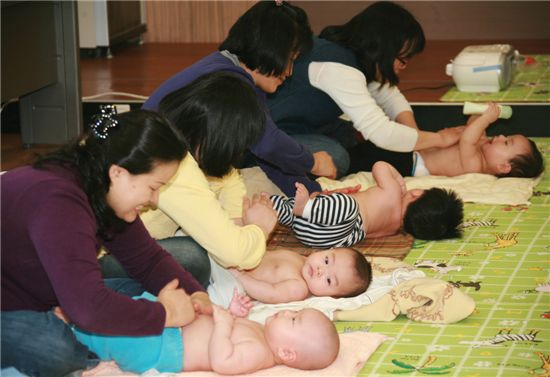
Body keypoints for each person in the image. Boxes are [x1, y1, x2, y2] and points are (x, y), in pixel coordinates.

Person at [1, 110, 213, 377]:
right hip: (9, 304)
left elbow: (147, 260)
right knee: (57, 350)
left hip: (45, 288)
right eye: (153, 186)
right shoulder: (60, 203)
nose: (155, 199)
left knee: (189, 264)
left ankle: (73, 320)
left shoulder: (100, 187)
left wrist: (195, 295)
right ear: (118, 173)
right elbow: (88, 308)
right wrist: (165, 313)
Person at [143, 1, 336, 198]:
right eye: (290, 59)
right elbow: (269, 144)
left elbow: (266, 152)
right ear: (270, 48)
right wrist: (313, 162)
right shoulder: (230, 81)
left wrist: (312, 192)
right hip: (155, 170)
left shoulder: (235, 72)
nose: (289, 71)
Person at [101, 72, 278, 282]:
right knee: (192, 257)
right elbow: (234, 254)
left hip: (109, 244)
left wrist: (236, 222)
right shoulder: (178, 166)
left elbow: (229, 177)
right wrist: (260, 228)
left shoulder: (168, 134)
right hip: (99, 258)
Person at [267, 1, 463, 178]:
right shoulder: (340, 69)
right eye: (402, 60)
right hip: (271, 128)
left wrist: (419, 138)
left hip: (298, 122)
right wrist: (440, 139)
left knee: (350, 135)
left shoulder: (354, 55)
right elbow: (381, 132)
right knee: (337, 157)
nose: (402, 67)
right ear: (382, 49)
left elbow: (389, 96)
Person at [64, 294, 340, 375]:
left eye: (293, 319)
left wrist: (223, 324)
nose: (286, 312)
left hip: (164, 348)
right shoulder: (261, 331)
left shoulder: (260, 352)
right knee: (138, 304)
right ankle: (83, 310)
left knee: (117, 335)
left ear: (286, 353)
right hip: (172, 324)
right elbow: (230, 324)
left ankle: (72, 333)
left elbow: (223, 361)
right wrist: (233, 312)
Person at [271, 161, 464, 244]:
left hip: (334, 219)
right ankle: (292, 209)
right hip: (328, 239)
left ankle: (287, 207)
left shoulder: (394, 192)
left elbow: (379, 166)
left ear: (417, 193)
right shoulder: (393, 229)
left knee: (347, 206)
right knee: (348, 218)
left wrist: (398, 180)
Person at [348, 103, 544, 178]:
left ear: (504, 167)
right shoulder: (483, 144)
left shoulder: (475, 167)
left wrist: (487, 119)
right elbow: (472, 127)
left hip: (413, 164)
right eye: (506, 136)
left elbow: (467, 138)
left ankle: (347, 162)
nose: (501, 136)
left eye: (507, 142)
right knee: (376, 145)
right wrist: (481, 112)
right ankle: (351, 146)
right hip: (417, 150)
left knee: (370, 158)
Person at [229, 247, 372, 304]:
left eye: (329, 280)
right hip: (235, 260)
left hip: (233, 284)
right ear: (327, 249)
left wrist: (240, 277)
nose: (320, 270)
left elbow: (271, 293)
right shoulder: (301, 259)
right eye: (327, 260)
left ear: (330, 296)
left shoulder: (299, 287)